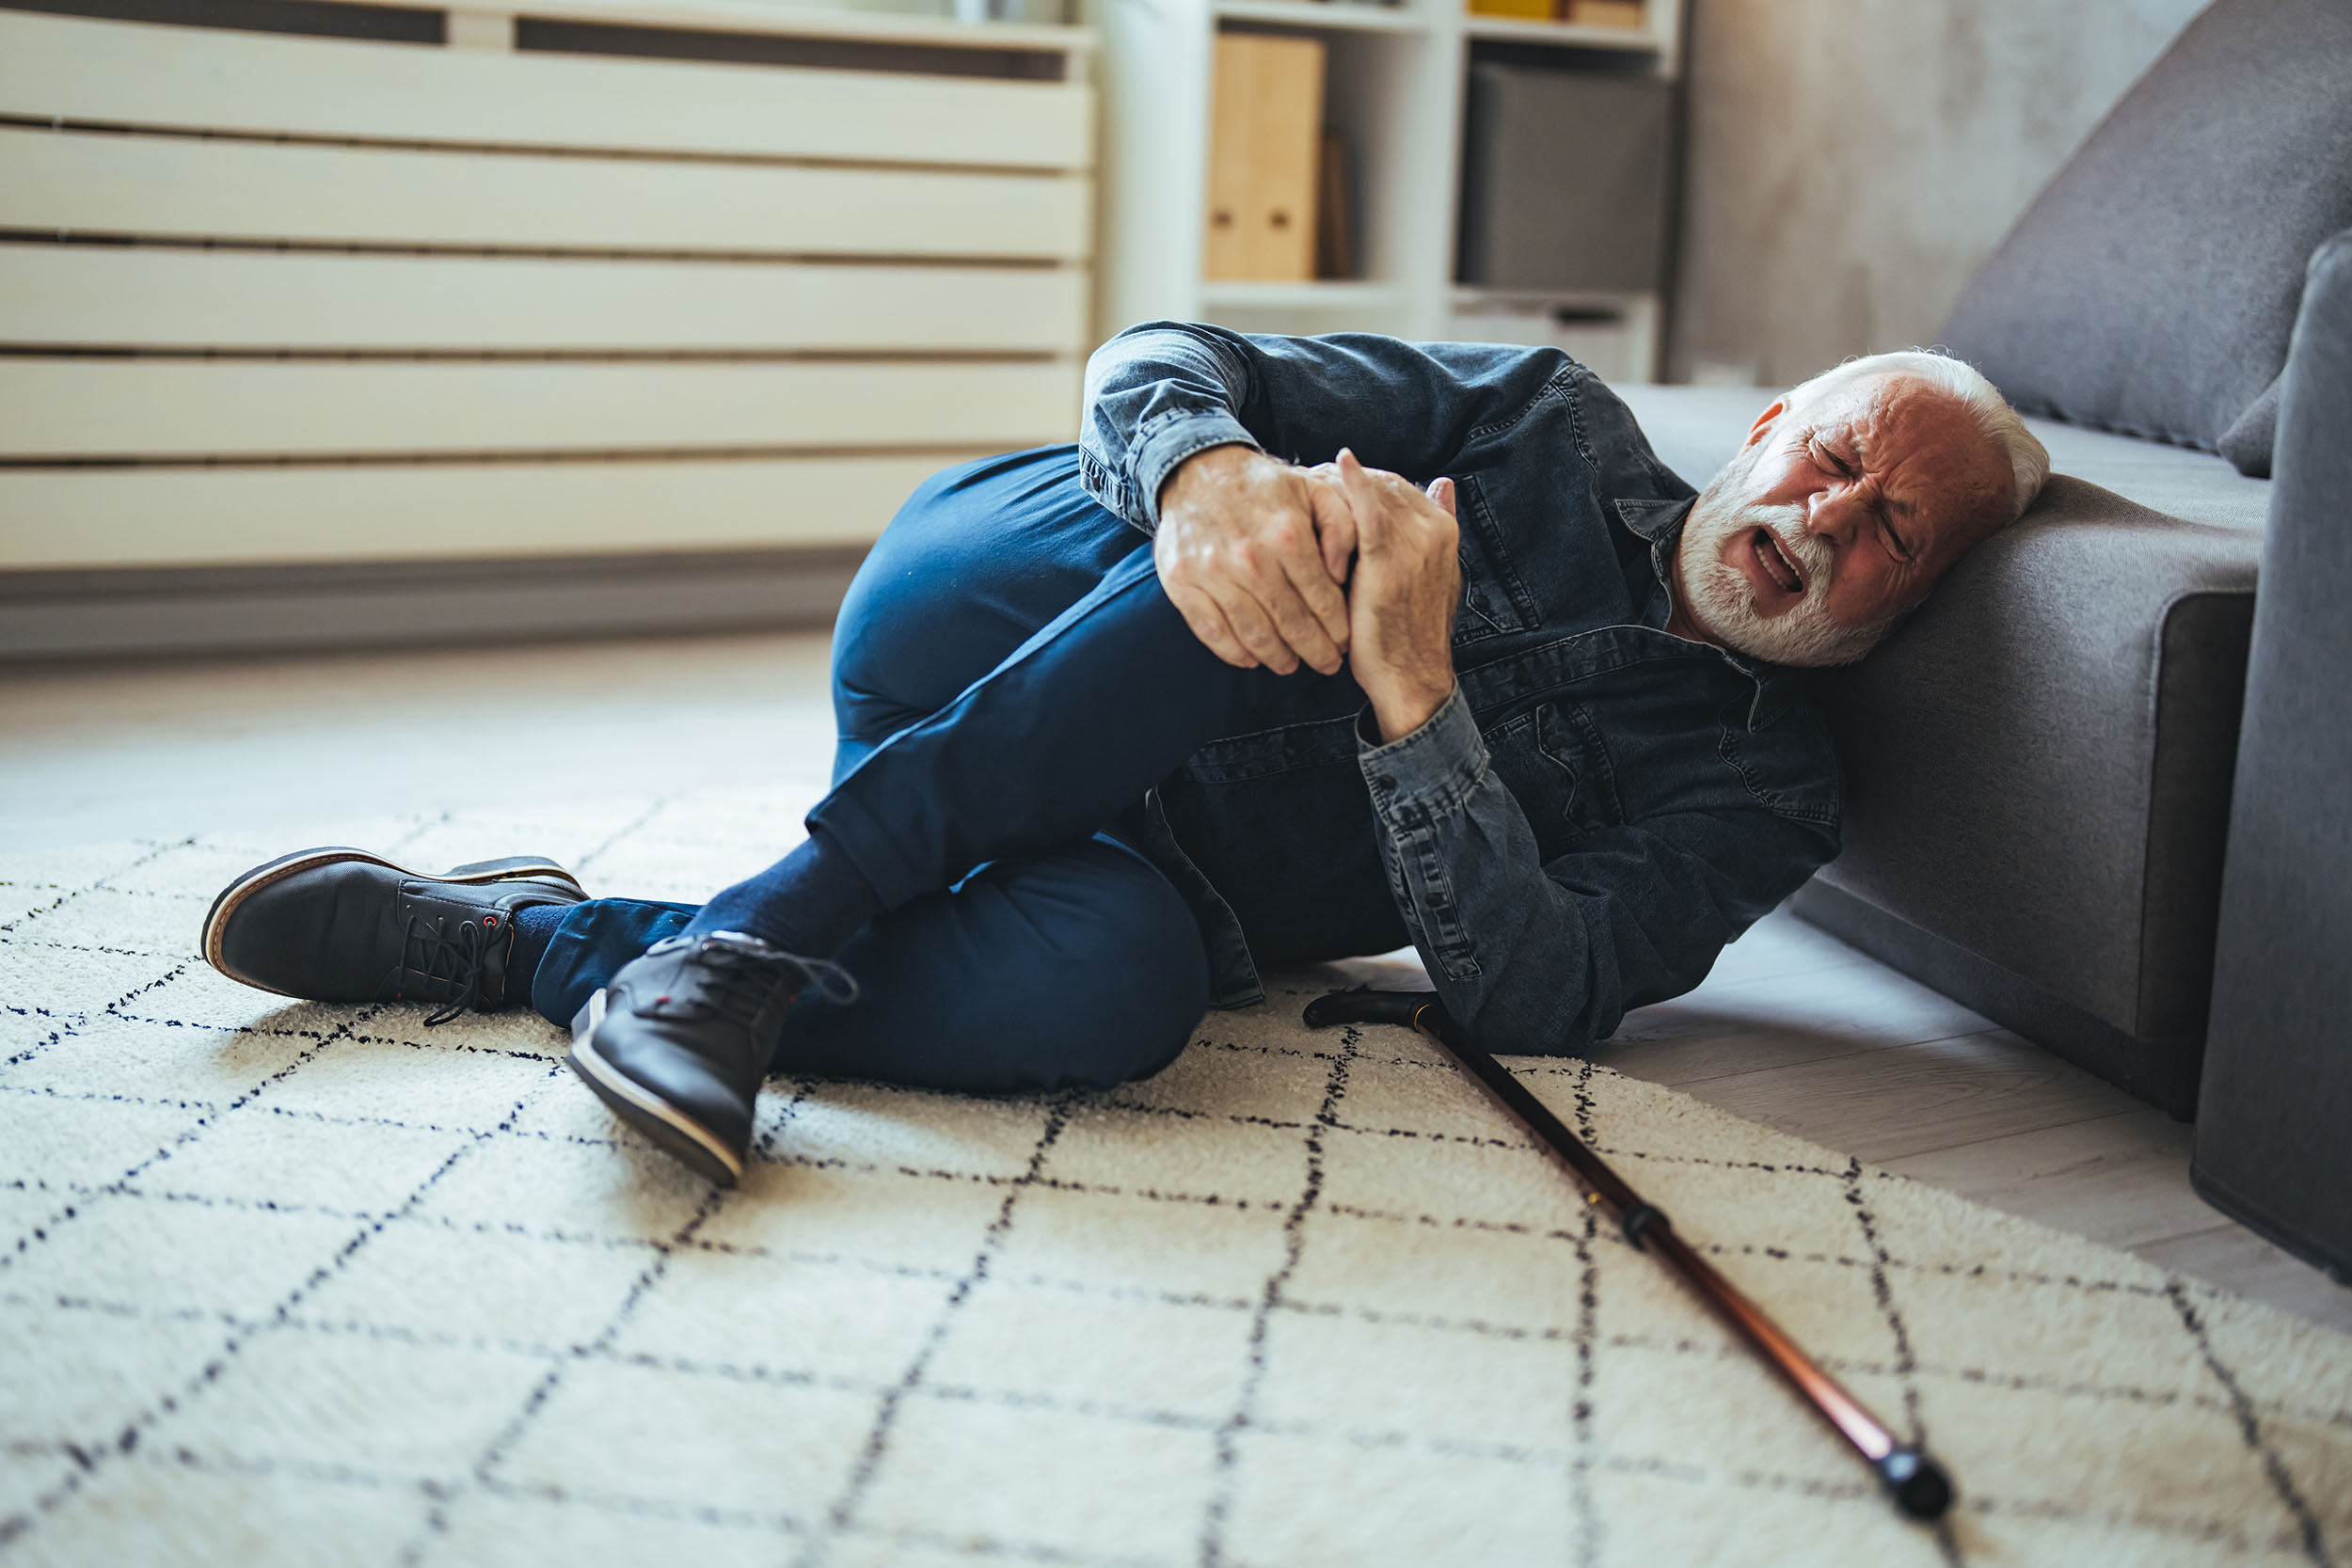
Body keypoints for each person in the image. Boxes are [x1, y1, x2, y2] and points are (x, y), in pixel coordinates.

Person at [198, 325, 2049, 1188]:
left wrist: (1416, 701)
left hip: (1127, 872)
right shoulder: (1542, 420)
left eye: (1890, 530)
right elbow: (1150, 354)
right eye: (1832, 455)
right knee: (1306, 541)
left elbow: (1541, 999)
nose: (1826, 516)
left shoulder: (1766, 787)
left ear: (1910, 610)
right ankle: (760, 930)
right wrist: (1213, 480)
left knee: (1123, 1001)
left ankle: (542, 945)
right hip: (986, 609)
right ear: (1770, 419)